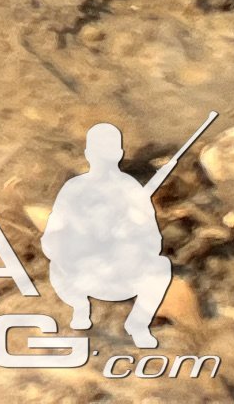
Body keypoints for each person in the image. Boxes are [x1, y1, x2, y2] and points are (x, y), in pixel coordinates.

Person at [44, 124, 171, 346]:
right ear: (89, 155)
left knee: (161, 266)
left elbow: (153, 242)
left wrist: (130, 233)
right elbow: (51, 240)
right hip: (80, 275)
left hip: (122, 271)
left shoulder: (131, 189)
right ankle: (80, 312)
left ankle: (138, 324)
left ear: (120, 154)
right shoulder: (74, 189)